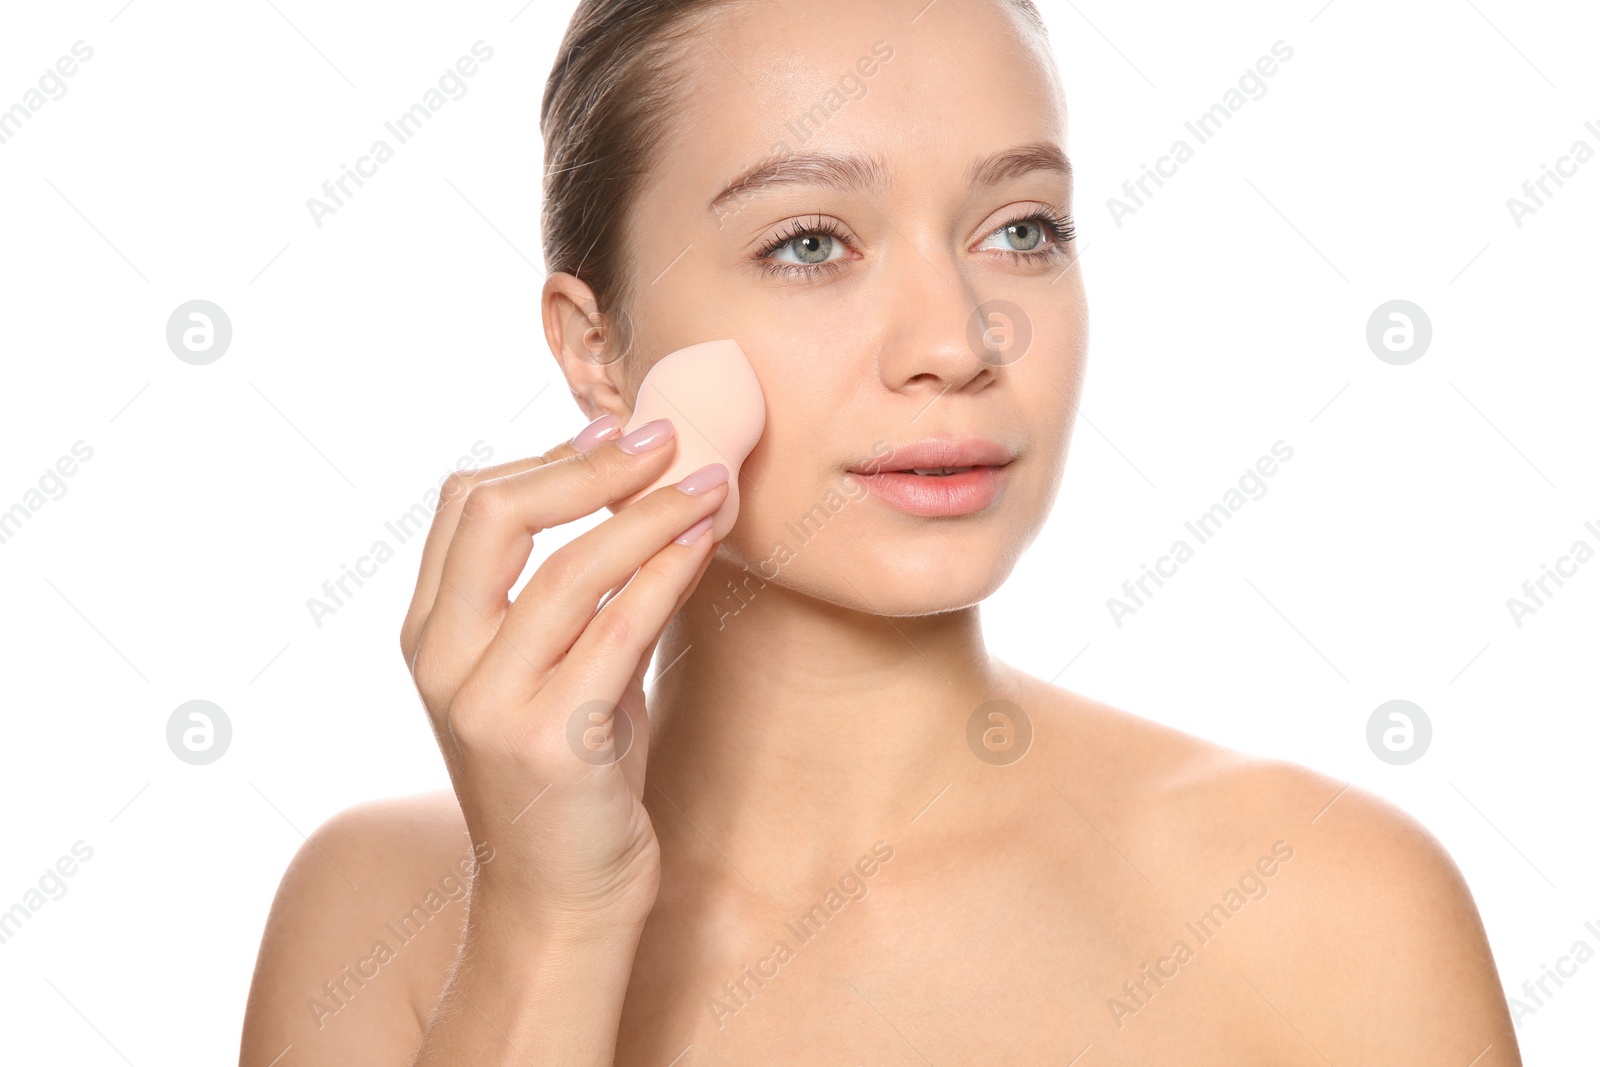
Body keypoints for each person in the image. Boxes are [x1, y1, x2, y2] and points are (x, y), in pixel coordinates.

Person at [238, 0, 1522, 1062]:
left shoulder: (1327, 908)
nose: (959, 343)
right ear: (597, 349)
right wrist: (551, 925)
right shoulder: (379, 915)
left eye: (1021, 229)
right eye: (809, 242)